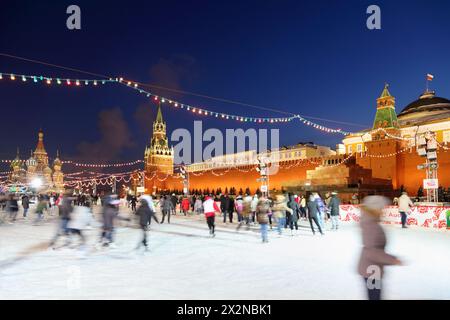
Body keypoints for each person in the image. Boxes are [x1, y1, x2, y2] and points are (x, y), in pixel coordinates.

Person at [358, 196, 402, 300]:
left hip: (371, 268)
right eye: (381, 208)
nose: (383, 211)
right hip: (371, 269)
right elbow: (372, 252)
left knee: (374, 296)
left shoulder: (370, 223)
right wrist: (392, 260)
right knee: (374, 297)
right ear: (375, 209)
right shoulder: (371, 226)